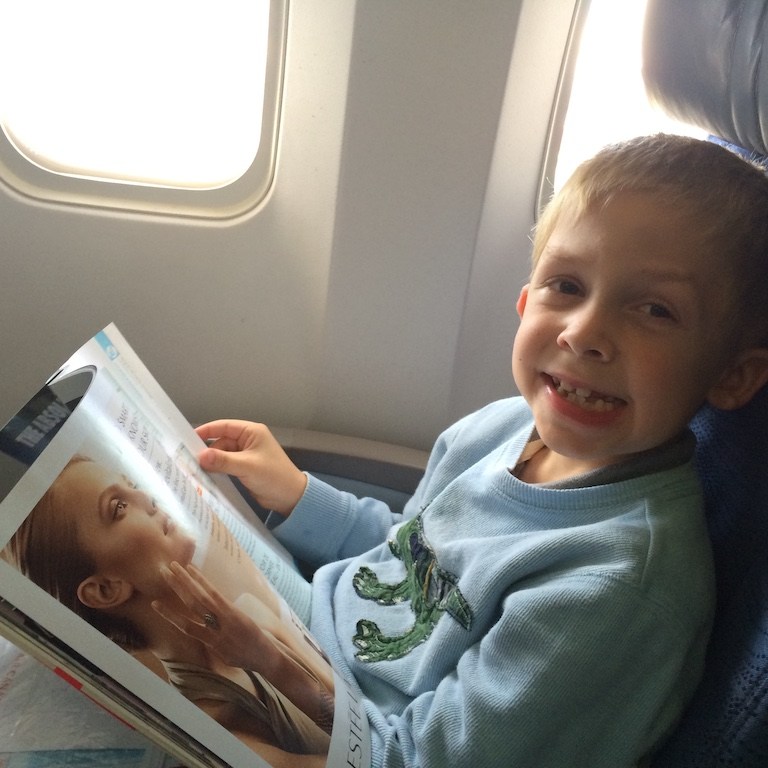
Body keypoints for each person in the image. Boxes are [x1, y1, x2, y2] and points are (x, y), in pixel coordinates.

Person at [195, 134, 768, 768]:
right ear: (526, 302)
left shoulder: (615, 589)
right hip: (304, 632)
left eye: (655, 309)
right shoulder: (498, 429)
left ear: (732, 376)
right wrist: (300, 495)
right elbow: (410, 563)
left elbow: (422, 758)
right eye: (567, 286)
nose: (585, 334)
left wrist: (249, 688)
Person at [3, 454, 334, 768]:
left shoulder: (250, 613)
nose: (146, 497)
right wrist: (267, 660)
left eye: (131, 483)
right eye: (118, 507)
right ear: (105, 590)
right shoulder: (218, 725)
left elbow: (357, 711)